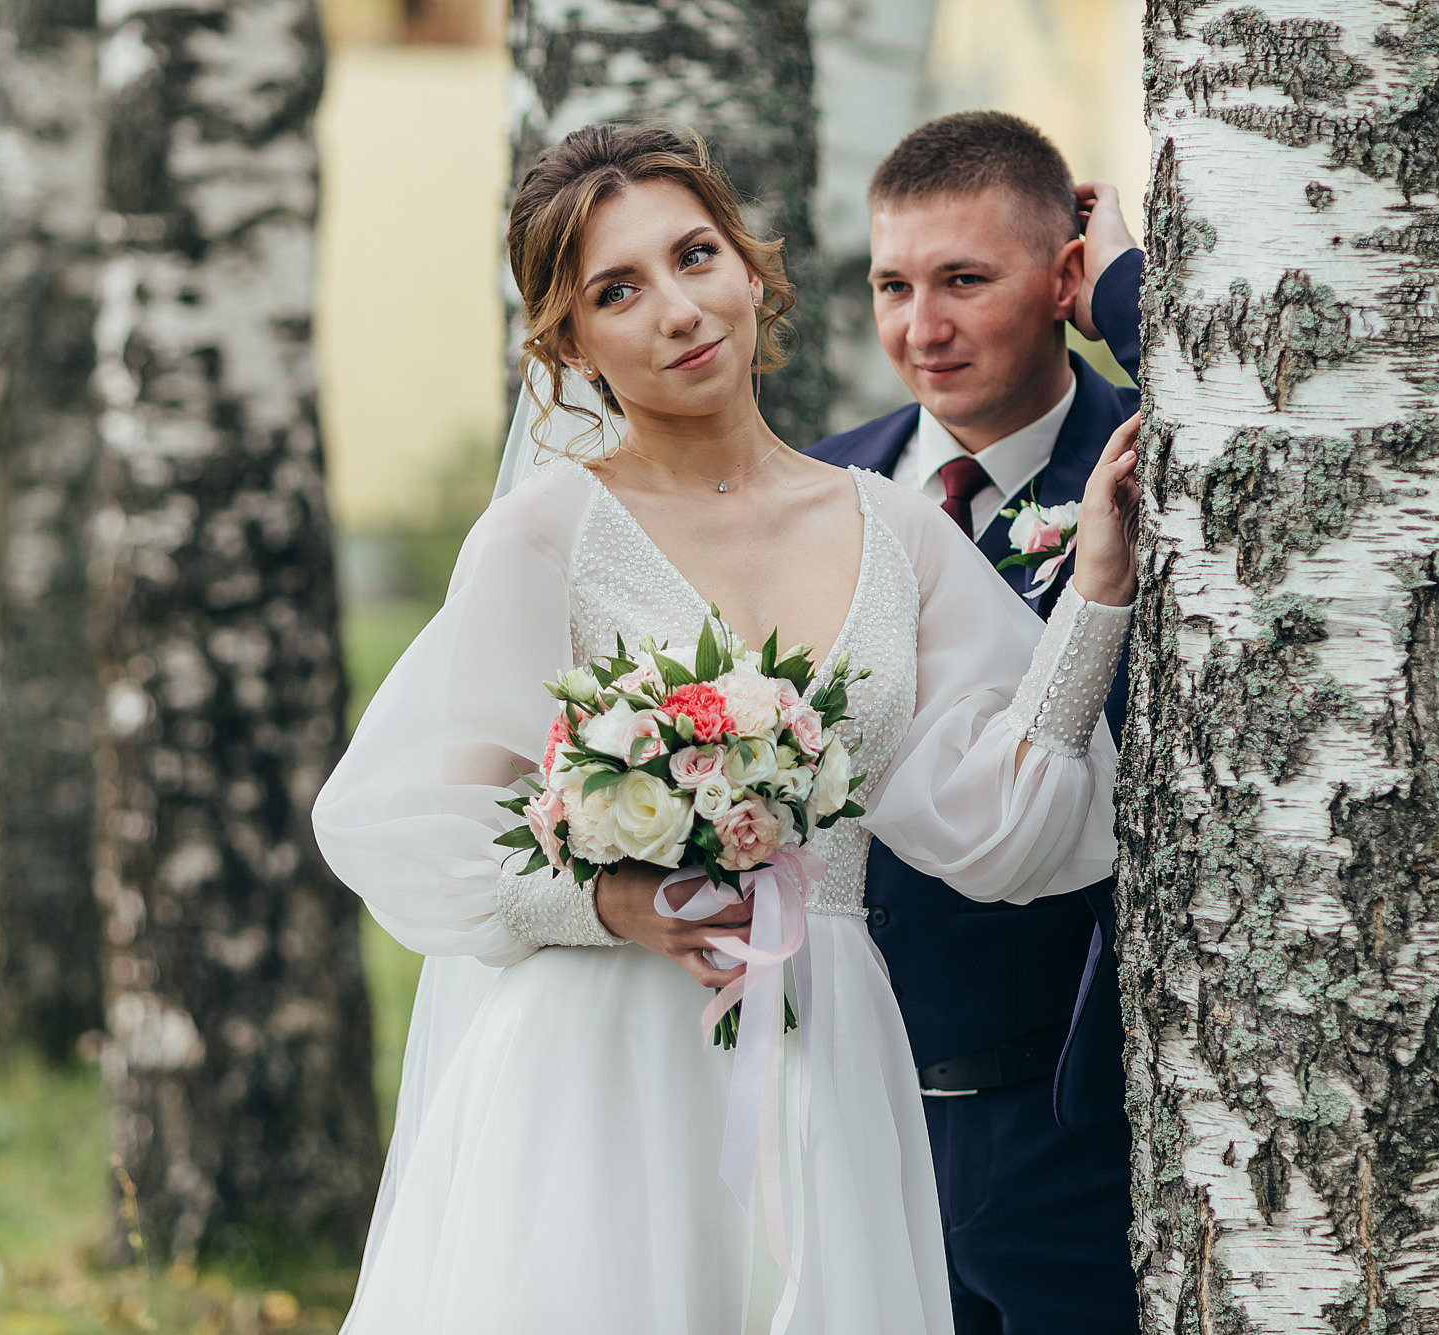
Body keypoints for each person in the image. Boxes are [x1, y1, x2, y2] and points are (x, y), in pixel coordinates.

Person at [312, 122, 1139, 1334]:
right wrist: (605, 904)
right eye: (616, 290)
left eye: (694, 255)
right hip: (600, 1061)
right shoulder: (542, 539)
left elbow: (1000, 826)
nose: (676, 309)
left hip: (833, 1046)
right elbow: (419, 830)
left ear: (750, 268)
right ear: (568, 344)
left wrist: (1098, 594)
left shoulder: (892, 527)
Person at [804, 112, 1146, 1335]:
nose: (919, 328)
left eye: (963, 280)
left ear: (1060, 281)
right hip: (850, 1116)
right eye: (892, 284)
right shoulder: (817, 484)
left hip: (1071, 1135)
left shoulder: (1155, 466)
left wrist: (1131, 292)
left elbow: (1315, 411)